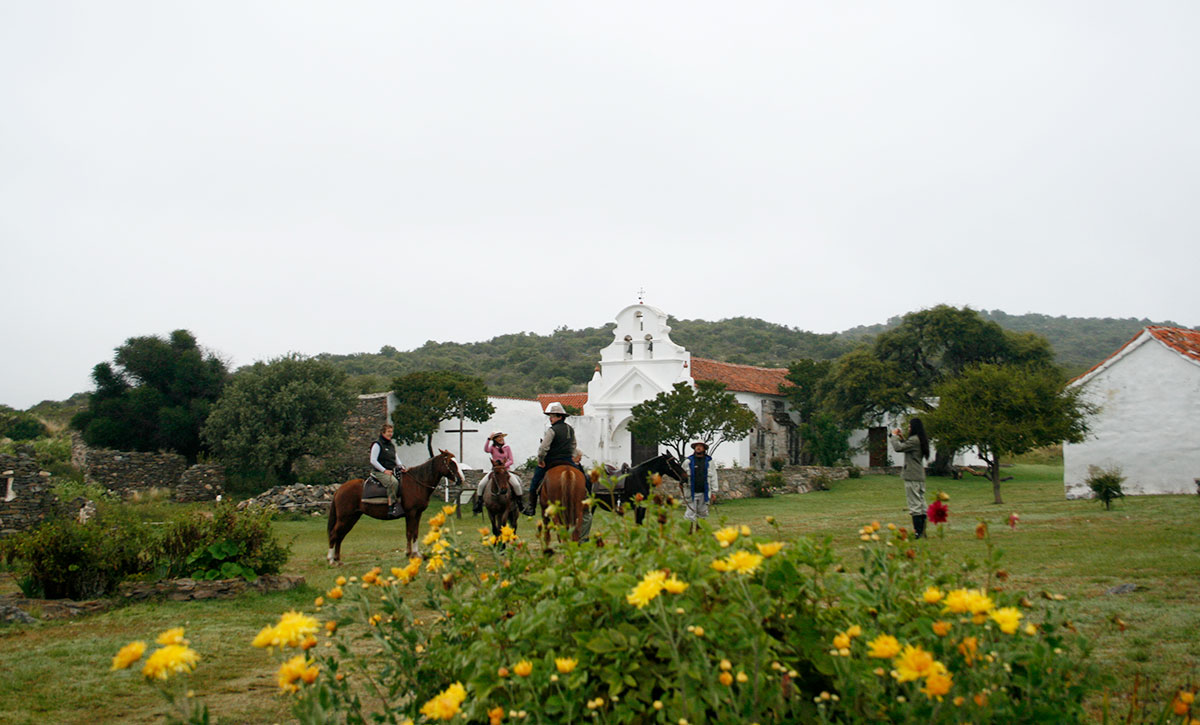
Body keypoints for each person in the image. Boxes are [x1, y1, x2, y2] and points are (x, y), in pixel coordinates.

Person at [524, 402, 580, 516]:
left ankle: (531, 506)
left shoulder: (552, 430)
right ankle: (586, 498)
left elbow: (544, 447)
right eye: (550, 416)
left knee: (535, 482)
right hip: (568, 460)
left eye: (553, 416)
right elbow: (573, 445)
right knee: (583, 476)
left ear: (560, 417)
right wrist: (573, 456)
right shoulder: (570, 429)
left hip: (552, 461)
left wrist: (541, 460)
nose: (550, 418)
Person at [891, 418, 930, 539]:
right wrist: (902, 437)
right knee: (922, 505)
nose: (908, 429)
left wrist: (893, 436)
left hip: (912, 475)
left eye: (909, 427)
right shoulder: (920, 439)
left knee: (915, 506)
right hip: (919, 476)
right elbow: (908, 447)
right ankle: (922, 532)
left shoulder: (914, 440)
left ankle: (918, 533)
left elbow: (898, 448)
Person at [473, 431, 527, 514]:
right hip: (495, 471)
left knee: (516, 484)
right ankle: (479, 504)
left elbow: (511, 460)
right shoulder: (492, 448)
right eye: (499, 437)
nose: (501, 439)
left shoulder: (507, 448)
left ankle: (520, 504)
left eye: (502, 437)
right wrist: (488, 439)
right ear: (495, 439)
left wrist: (504, 465)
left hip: (505, 470)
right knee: (481, 485)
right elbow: (486, 449)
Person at [369, 423, 407, 518]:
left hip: (391, 470)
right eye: (388, 432)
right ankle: (391, 507)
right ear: (383, 432)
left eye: (391, 432)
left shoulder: (391, 445)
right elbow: (373, 460)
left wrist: (402, 467)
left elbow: (396, 458)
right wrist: (384, 470)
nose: (390, 434)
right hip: (379, 472)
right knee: (393, 482)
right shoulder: (377, 444)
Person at [682, 441, 717, 525]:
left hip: (704, 492)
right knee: (690, 514)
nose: (698, 448)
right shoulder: (687, 462)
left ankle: (699, 533)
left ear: (704, 448)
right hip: (691, 492)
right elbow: (682, 475)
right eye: (697, 446)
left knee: (702, 514)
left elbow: (714, 477)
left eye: (700, 446)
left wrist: (714, 491)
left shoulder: (709, 462)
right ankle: (689, 533)